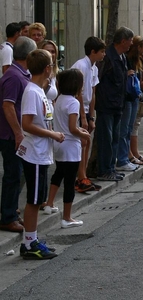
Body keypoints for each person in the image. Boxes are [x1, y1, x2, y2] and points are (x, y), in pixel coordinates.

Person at [16, 49, 65, 259]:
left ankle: (32, 239)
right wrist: (52, 134)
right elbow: (26, 124)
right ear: (47, 69)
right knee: (34, 200)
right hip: (34, 153)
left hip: (41, 153)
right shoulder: (32, 92)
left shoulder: (38, 90)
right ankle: (29, 243)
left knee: (37, 198)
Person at [44, 69, 91, 227]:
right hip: (70, 144)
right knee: (70, 181)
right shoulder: (73, 102)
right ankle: (67, 217)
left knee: (59, 173)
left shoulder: (59, 99)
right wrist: (83, 134)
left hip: (59, 142)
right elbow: (72, 127)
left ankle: (49, 203)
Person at [0, 36, 37, 233]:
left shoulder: (21, 74)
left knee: (18, 174)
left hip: (16, 134)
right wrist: (18, 133)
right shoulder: (14, 76)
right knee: (13, 175)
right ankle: (7, 216)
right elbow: (8, 106)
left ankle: (11, 212)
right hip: (10, 135)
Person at [95, 26, 134, 181]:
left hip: (118, 104)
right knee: (106, 139)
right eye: (130, 41)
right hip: (107, 105)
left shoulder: (122, 57)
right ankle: (104, 169)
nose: (131, 44)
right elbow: (98, 80)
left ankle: (111, 167)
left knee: (115, 138)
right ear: (123, 41)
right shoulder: (108, 57)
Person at [71, 36, 106, 192]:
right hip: (77, 109)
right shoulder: (81, 66)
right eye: (102, 52)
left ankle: (83, 175)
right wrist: (83, 117)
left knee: (86, 142)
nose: (104, 55)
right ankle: (79, 177)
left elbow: (92, 92)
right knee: (81, 143)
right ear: (93, 52)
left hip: (86, 109)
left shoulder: (94, 68)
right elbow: (78, 92)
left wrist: (91, 116)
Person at [116, 36, 143, 171]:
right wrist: (126, 74)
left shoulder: (136, 61)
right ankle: (123, 158)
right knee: (124, 129)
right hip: (128, 96)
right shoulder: (126, 58)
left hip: (134, 96)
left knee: (129, 128)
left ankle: (127, 156)